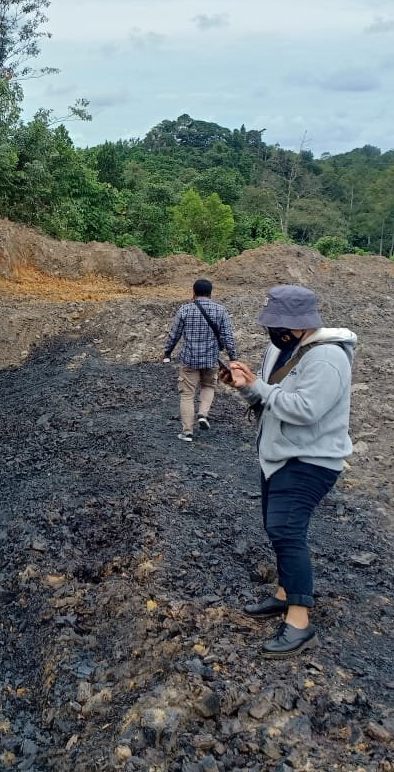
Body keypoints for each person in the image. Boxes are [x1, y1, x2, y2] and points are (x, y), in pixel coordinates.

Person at [222, 284, 357, 658]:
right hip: (280, 455)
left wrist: (258, 386)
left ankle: (299, 623)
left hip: (311, 459)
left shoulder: (327, 357)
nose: (273, 330)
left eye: (279, 324)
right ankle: (285, 594)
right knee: (276, 527)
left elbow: (305, 410)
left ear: (301, 323)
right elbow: (270, 399)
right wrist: (245, 386)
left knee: (286, 530)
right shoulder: (281, 350)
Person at [161, 278, 238, 442]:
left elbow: (174, 334)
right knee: (208, 386)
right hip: (211, 360)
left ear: (193, 292)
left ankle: (187, 432)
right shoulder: (220, 310)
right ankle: (203, 414)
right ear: (210, 293)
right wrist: (233, 358)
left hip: (189, 360)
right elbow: (228, 337)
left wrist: (167, 353)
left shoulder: (185, 310)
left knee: (187, 395)